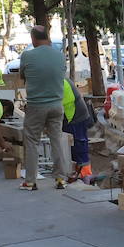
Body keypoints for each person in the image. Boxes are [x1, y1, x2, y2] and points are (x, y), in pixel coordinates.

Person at [18, 26, 74, 190]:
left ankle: (30, 181)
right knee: (56, 140)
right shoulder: (60, 56)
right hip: (56, 105)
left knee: (31, 141)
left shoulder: (27, 55)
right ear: (47, 37)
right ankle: (60, 179)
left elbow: (22, 76)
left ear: (33, 38)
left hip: (36, 105)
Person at [61, 78, 95, 180]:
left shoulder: (60, 83)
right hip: (72, 116)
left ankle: (85, 175)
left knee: (78, 145)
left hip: (75, 117)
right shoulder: (59, 79)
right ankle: (79, 173)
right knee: (75, 146)